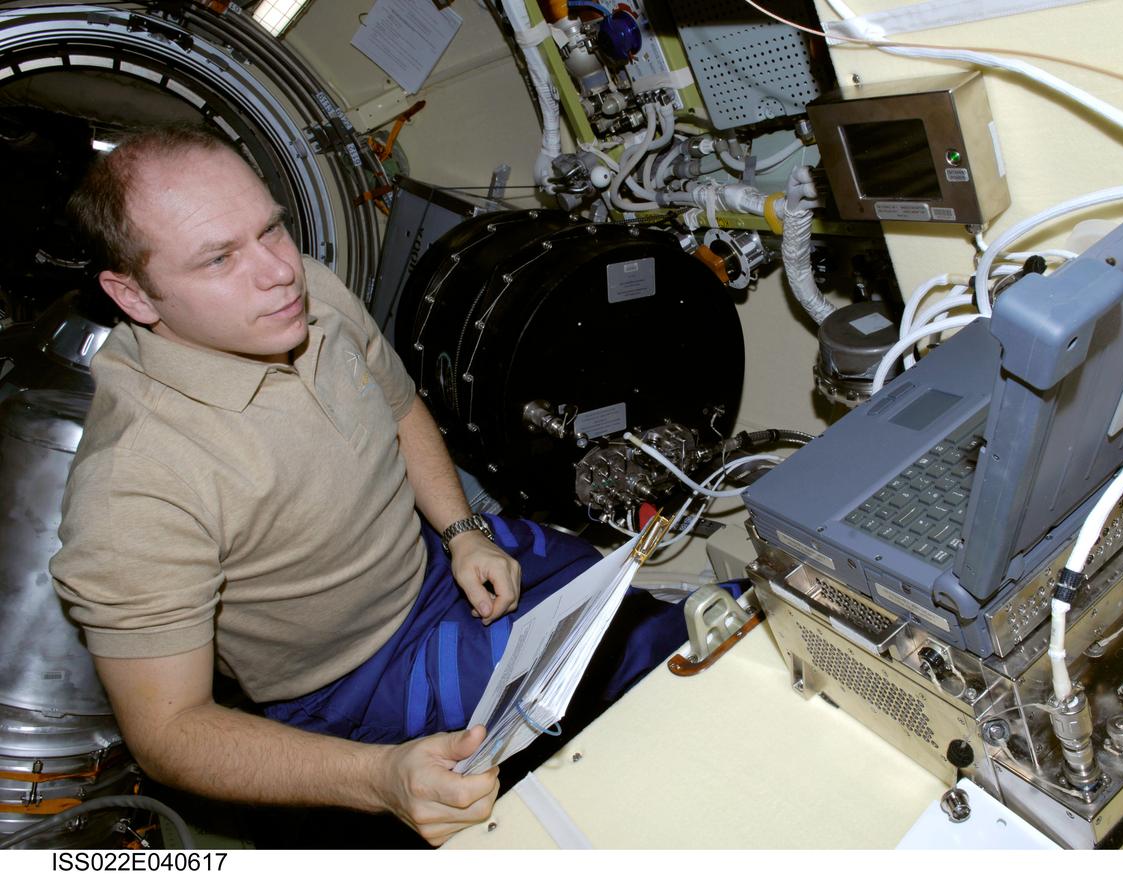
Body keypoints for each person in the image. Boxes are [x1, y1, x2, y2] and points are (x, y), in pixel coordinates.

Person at [49, 126, 681, 845]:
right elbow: (169, 732)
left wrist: (462, 532)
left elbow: (399, 406)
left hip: (442, 559)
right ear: (133, 294)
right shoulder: (134, 488)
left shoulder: (305, 293)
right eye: (219, 258)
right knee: (613, 738)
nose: (279, 271)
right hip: (358, 675)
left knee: (642, 622)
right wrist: (381, 777)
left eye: (270, 229)